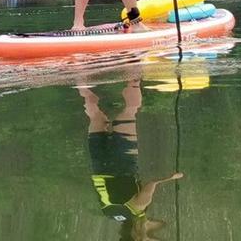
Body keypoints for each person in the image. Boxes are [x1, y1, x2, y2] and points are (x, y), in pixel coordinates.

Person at [78, 79, 183, 240]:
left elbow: (152, 183)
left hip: (124, 160)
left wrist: (171, 177)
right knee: (95, 114)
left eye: (148, 235)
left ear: (137, 235)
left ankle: (134, 70)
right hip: (99, 164)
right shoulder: (108, 214)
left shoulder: (137, 208)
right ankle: (80, 76)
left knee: (130, 110)